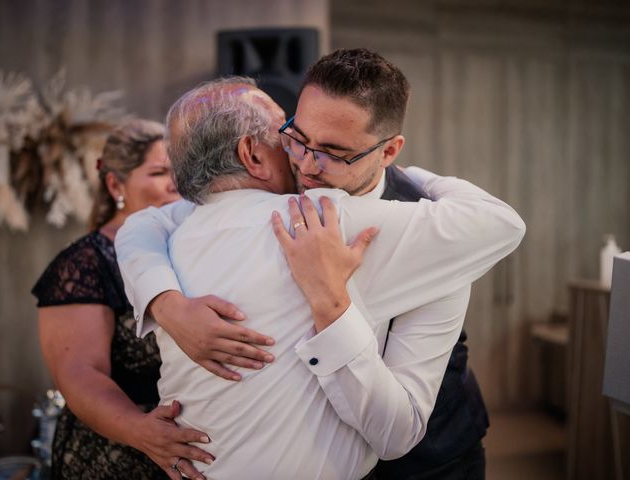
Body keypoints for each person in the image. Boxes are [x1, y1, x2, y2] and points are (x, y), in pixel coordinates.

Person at [115, 77, 524, 479]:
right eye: (291, 137)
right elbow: (501, 223)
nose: (305, 161)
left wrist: (416, 178)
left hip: (437, 453)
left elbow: (139, 226)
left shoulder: (176, 236)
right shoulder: (303, 214)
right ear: (253, 155)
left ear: (387, 151)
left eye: (333, 150)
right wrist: (165, 303)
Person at [32, 119, 216, 480]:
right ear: (116, 184)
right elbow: (80, 373)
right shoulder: (85, 263)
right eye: (160, 172)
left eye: (178, 170)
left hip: (194, 449)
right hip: (117, 453)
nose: (174, 184)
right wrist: (141, 430)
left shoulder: (189, 248)